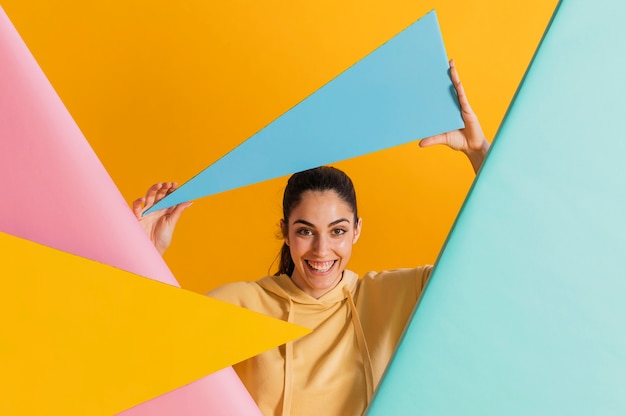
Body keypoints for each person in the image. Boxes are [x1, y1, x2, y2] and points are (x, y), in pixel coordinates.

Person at [133, 59, 490, 416]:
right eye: (306, 231)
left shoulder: (390, 297)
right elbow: (152, 347)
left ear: (357, 230)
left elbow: (493, 267)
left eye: (337, 231)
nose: (322, 250)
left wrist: (479, 154)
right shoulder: (245, 304)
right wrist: (143, 254)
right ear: (285, 232)